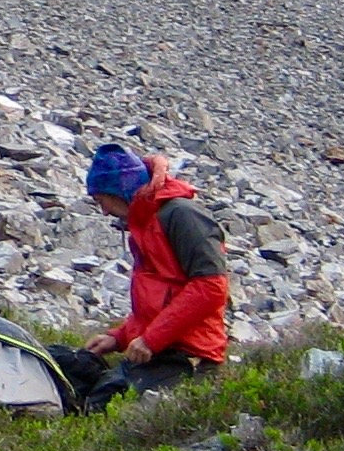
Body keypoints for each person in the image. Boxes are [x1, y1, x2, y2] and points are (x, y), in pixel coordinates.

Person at [74, 141, 229, 407]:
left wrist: (151, 339)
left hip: (190, 356)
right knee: (87, 395)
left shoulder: (181, 215)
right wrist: (119, 337)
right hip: (162, 350)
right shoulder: (144, 222)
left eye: (102, 200)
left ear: (119, 188)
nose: (104, 210)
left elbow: (211, 287)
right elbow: (157, 300)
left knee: (107, 410)